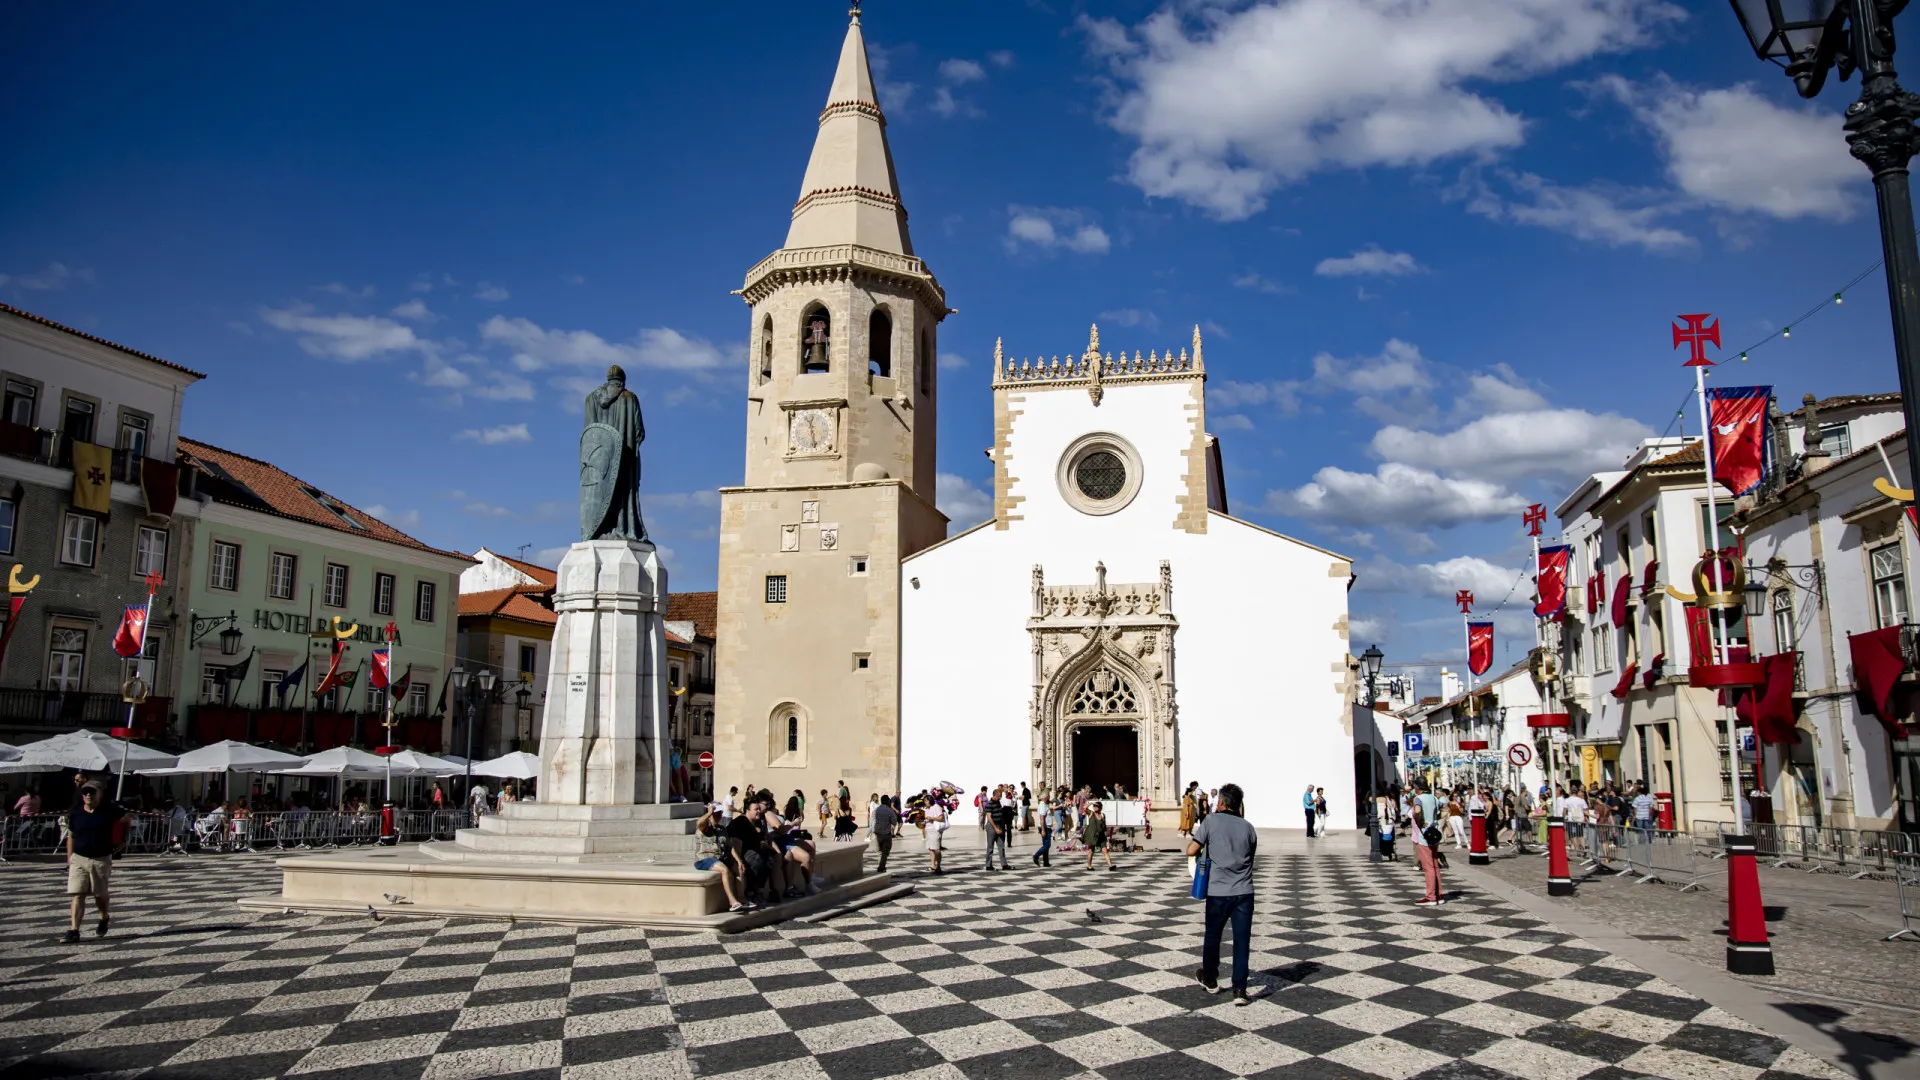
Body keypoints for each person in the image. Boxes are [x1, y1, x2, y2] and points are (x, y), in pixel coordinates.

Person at [1189, 783, 1257, 1005]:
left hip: (1218, 891)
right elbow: (1250, 857)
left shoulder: (1211, 820)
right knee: (1241, 940)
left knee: (1213, 936)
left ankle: (1210, 979)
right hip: (1244, 892)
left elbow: (1191, 849)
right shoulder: (1248, 828)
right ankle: (1240, 990)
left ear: (1221, 803)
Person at [64, 783, 125, 942]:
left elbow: (125, 822)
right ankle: (74, 930)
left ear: (100, 794)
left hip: (100, 859)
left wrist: (119, 845)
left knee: (99, 895)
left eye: (92, 792)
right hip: (79, 858)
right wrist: (70, 858)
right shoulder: (76, 814)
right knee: (77, 894)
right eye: (85, 792)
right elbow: (71, 836)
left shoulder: (109, 812)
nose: (88, 795)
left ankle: (103, 916)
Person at [1409, 780, 1443, 906]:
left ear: (1417, 787)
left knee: (1428, 867)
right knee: (1435, 865)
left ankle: (1431, 896)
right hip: (1434, 832)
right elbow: (1440, 810)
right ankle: (1439, 894)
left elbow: (1417, 811)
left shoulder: (1418, 799)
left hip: (1424, 835)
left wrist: (1419, 820)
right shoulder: (1433, 798)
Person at [985, 790, 1014, 870]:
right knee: (990, 847)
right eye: (999, 796)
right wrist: (996, 828)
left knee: (1001, 846)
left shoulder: (998, 803)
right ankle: (988, 865)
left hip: (999, 825)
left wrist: (1002, 828)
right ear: (994, 795)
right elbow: (989, 818)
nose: (1000, 797)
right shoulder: (988, 804)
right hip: (992, 826)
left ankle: (1004, 864)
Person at [870, 795, 900, 873]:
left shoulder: (876, 810)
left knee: (879, 851)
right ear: (887, 801)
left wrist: (873, 831)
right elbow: (894, 822)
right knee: (885, 851)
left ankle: (881, 865)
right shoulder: (889, 811)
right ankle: (881, 866)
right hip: (886, 834)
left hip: (877, 834)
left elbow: (872, 821)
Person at [1083, 801, 1115, 871]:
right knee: (1091, 850)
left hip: (1101, 835)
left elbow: (1104, 826)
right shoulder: (1091, 813)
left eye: (1096, 806)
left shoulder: (1103, 815)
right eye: (1094, 806)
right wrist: (1091, 803)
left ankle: (1110, 865)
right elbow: (1085, 807)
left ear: (1100, 808)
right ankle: (1089, 866)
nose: (1095, 807)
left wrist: (1107, 834)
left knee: (1105, 850)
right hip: (1092, 835)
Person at [925, 796, 948, 874]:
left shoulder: (936, 807)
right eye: (924, 801)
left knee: (936, 849)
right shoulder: (926, 809)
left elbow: (941, 818)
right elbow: (926, 819)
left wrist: (932, 818)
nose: (925, 802)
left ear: (930, 800)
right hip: (928, 830)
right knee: (930, 849)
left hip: (935, 830)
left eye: (926, 801)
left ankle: (938, 867)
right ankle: (932, 866)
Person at [1031, 796, 1054, 867]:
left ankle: (1046, 862)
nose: (1049, 798)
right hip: (1045, 827)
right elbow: (1042, 818)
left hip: (1046, 827)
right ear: (1045, 798)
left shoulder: (1043, 805)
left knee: (1045, 845)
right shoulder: (1042, 806)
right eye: (1048, 797)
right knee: (1047, 845)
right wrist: (1043, 830)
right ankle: (1036, 856)